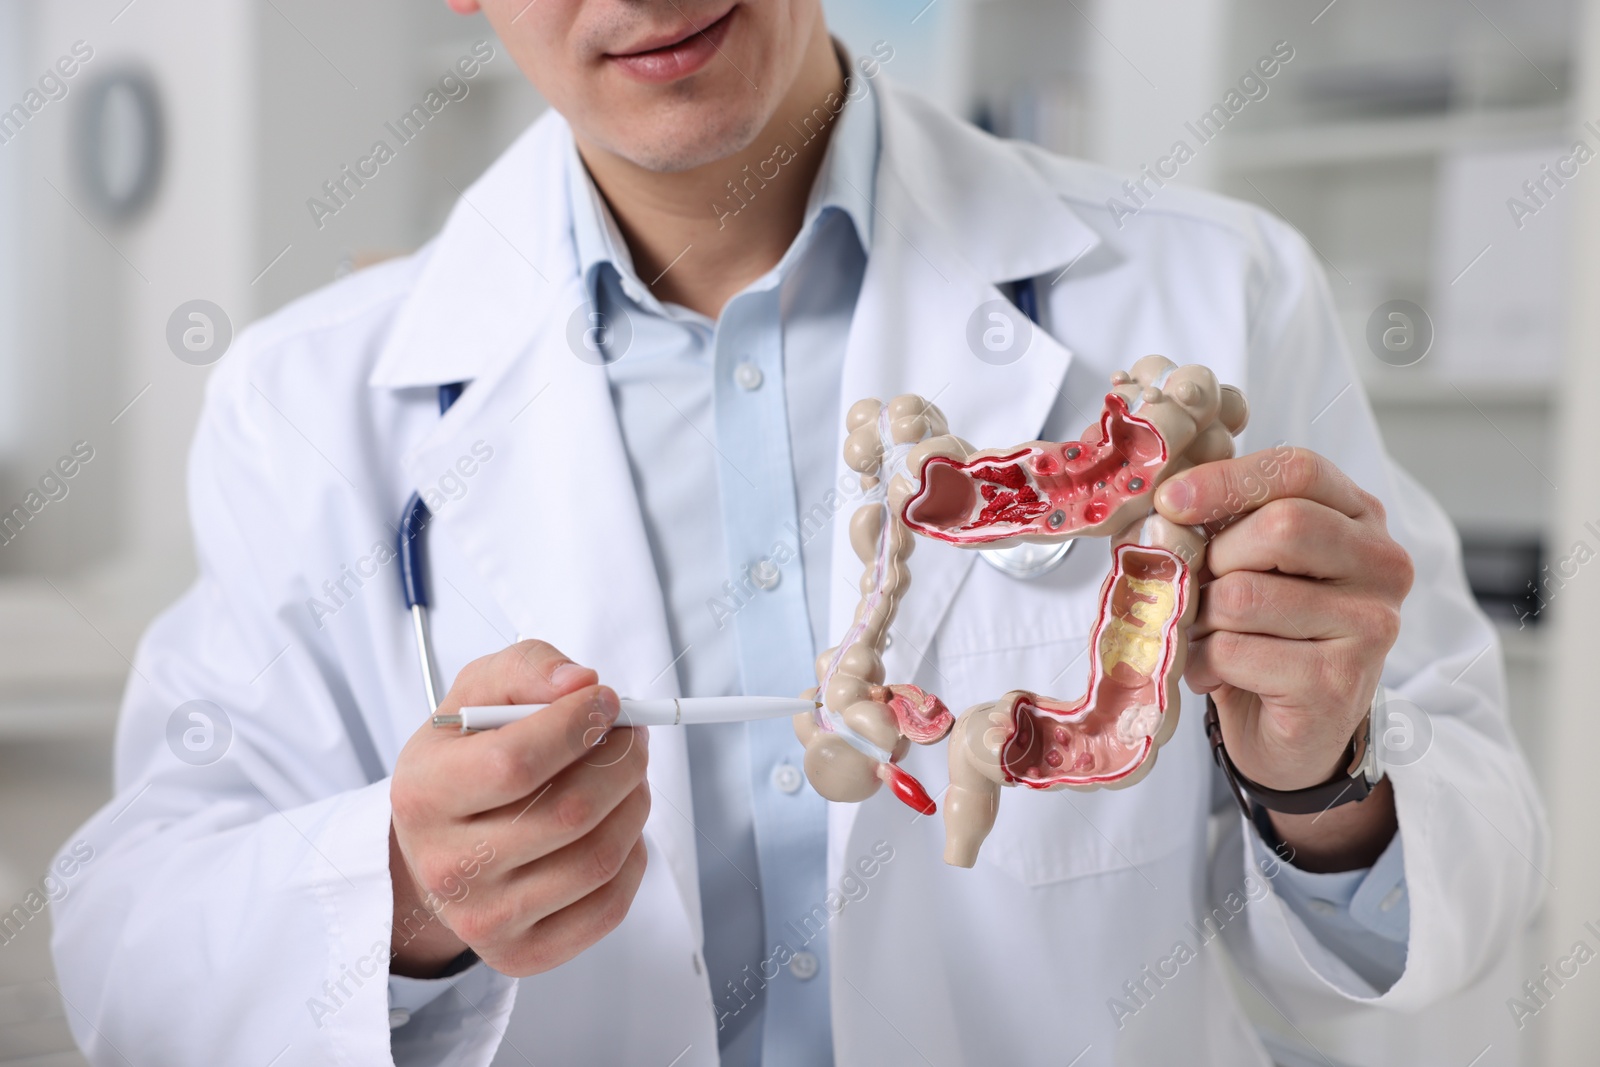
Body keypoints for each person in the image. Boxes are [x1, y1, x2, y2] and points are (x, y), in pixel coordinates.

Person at [51, 2, 1546, 1064]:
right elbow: (131, 946)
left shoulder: (1218, 296)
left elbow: (1464, 867)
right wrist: (395, 896)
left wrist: (1324, 781)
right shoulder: (306, 402)